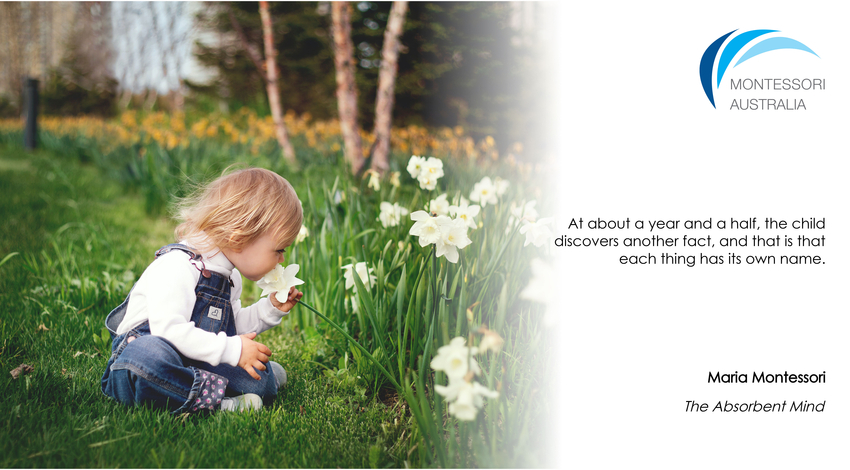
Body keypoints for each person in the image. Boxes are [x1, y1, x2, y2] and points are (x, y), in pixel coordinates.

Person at [101, 167, 304, 414]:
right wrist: (233, 350)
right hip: (147, 357)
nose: (282, 259)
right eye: (279, 249)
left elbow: (231, 327)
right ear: (239, 237)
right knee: (147, 358)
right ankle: (219, 404)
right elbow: (169, 331)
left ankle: (241, 381)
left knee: (261, 381)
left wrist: (269, 309)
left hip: (193, 356)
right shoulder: (178, 266)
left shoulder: (230, 277)